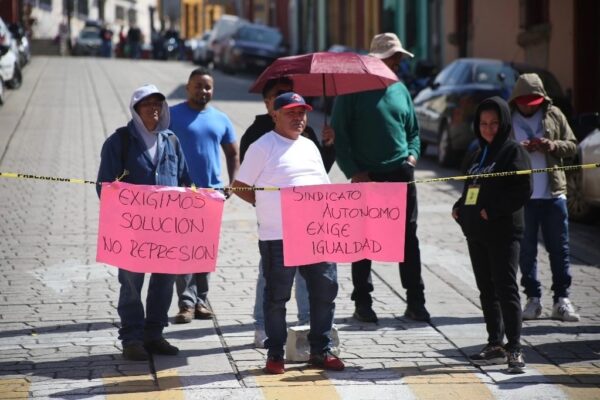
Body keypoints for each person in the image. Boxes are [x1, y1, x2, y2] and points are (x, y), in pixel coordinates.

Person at [232, 92, 344, 374]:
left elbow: (323, 186)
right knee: (276, 297)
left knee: (325, 291)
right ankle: (275, 354)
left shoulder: (309, 146)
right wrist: (269, 205)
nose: (299, 118)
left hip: (315, 234)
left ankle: (321, 350)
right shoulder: (263, 146)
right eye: (291, 113)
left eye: (302, 113)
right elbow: (240, 186)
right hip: (277, 235)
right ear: (275, 115)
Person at [330, 32, 428, 323]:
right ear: (375, 59)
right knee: (364, 240)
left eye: (398, 58)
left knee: (408, 240)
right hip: (366, 176)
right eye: (391, 58)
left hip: (401, 173)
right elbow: (340, 135)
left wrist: (411, 157)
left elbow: (413, 131)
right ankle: (363, 302)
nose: (396, 62)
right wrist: (353, 171)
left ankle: (415, 300)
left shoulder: (401, 88)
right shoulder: (351, 90)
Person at [96, 84, 191, 361]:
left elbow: (186, 180)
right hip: (132, 233)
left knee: (163, 283)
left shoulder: (171, 140)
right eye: (147, 105)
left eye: (158, 104)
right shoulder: (119, 142)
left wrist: (203, 199)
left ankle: (154, 334)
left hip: (166, 232)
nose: (154, 109)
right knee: (132, 286)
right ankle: (132, 338)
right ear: (136, 110)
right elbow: (104, 187)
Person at [452, 96, 531, 374]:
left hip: (503, 232)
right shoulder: (477, 154)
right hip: (477, 233)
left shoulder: (512, 152)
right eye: (484, 123)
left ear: (504, 123)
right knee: (487, 290)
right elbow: (470, 189)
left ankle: (515, 348)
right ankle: (495, 343)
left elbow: (523, 190)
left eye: (494, 123)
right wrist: (460, 208)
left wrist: (493, 211)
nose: (489, 129)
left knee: (506, 288)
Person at [170, 67, 239, 324]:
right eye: (198, 85)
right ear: (188, 87)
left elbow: (232, 153)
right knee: (183, 250)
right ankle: (185, 304)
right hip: (180, 192)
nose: (203, 91)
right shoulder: (173, 115)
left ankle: (201, 301)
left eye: (208, 87)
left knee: (204, 250)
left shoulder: (220, 119)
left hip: (211, 194)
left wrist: (232, 182)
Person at [508, 73, 580, 322]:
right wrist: (519, 149)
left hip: (553, 194)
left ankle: (562, 300)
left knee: (559, 249)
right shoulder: (508, 119)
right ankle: (533, 299)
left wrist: (551, 145)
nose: (527, 107)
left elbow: (572, 146)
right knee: (526, 251)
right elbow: (499, 153)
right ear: (516, 100)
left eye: (533, 102)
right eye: (523, 102)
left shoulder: (554, 114)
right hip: (523, 197)